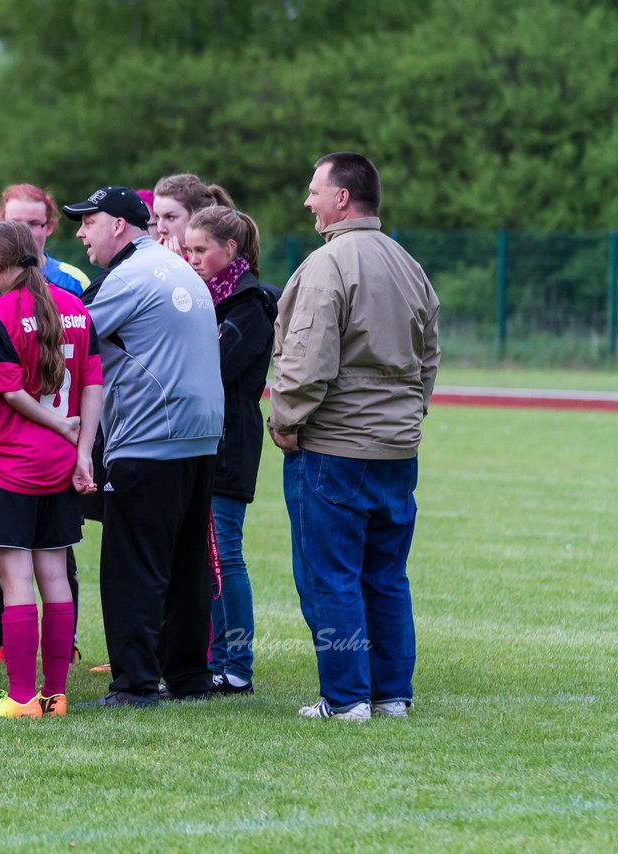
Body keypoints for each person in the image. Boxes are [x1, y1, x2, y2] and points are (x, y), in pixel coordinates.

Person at [270, 152, 440, 721]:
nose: (308, 200)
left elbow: (307, 359)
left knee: (330, 575)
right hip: (396, 447)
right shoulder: (408, 264)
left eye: (314, 189)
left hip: (334, 448)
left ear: (342, 198)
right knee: (387, 576)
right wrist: (407, 416)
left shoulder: (329, 264)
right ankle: (391, 695)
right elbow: (429, 356)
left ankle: (345, 700)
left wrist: (286, 421)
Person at [61, 186, 224, 707]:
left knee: (133, 566)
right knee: (186, 563)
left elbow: (69, 336)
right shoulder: (174, 266)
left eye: (88, 221)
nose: (81, 232)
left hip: (153, 436)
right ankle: (189, 677)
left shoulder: (128, 277)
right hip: (199, 436)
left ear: (118, 226)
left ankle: (134, 684)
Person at [0, 221, 102, 719]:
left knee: (16, 578)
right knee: (55, 574)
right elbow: (93, 386)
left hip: (12, 465)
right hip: (62, 465)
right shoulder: (76, 308)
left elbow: (11, 393)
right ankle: (57, 695)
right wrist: (82, 448)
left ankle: (22, 697)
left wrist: (64, 429)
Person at [183, 205, 279, 696]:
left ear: (231, 251)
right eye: (188, 250)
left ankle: (236, 664)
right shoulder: (208, 299)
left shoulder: (249, 305)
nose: (192, 258)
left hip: (230, 443)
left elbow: (211, 369)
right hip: (206, 440)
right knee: (209, 556)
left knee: (227, 556)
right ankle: (216, 659)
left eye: (201, 250)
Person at [151, 173, 234, 258]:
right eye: (157, 217)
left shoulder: (216, 264)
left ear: (198, 217)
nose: (160, 229)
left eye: (170, 217)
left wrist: (176, 267)